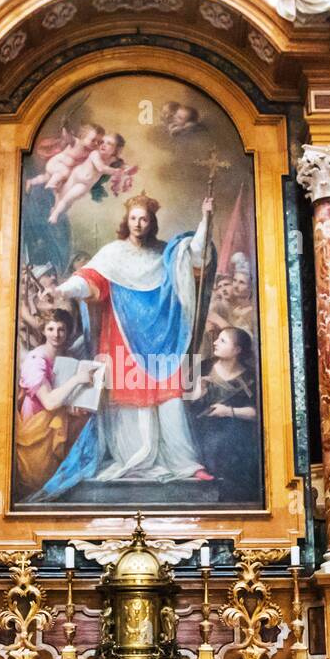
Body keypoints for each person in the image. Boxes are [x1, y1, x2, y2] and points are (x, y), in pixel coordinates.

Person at [36, 192, 215, 497]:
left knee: (170, 400)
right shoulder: (113, 254)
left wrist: (206, 219)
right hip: (122, 337)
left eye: (144, 218)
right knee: (129, 401)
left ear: (151, 222)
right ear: (126, 220)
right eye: (133, 218)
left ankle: (185, 464)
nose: (138, 224)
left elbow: (196, 256)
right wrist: (62, 291)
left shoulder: (166, 254)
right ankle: (134, 461)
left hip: (163, 342)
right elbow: (88, 280)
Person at [14, 309, 96, 496]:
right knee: (40, 478)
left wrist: (74, 408)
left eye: (61, 329)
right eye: (51, 329)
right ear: (43, 331)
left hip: (57, 424)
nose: (56, 335)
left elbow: (63, 399)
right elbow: (50, 402)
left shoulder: (66, 358)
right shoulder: (35, 361)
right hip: (37, 427)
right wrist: (77, 379)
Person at [191, 327, 260, 502]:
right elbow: (191, 407)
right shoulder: (204, 367)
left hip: (236, 435)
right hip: (204, 432)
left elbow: (256, 413)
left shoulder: (251, 376)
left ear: (237, 350)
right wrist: (201, 390)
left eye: (222, 341)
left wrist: (228, 412)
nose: (215, 343)